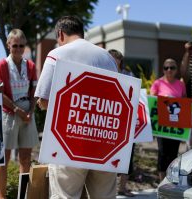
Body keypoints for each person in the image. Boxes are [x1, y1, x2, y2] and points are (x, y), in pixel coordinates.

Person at [35, 16, 118, 199]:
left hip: (69, 140)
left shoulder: (57, 54)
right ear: (82, 32)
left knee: (65, 195)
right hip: (105, 143)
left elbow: (44, 99)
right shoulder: (107, 58)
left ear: (60, 34)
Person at [0, 29, 39, 199]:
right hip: (9, 114)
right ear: (8, 45)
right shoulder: (1, 65)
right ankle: (2, 197)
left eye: (21, 45)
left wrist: (31, 111)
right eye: (15, 45)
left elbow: (35, 89)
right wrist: (17, 110)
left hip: (27, 113)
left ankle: (22, 195)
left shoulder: (31, 65)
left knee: (25, 159)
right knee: (3, 159)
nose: (18, 49)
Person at [150, 58, 186, 181]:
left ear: (176, 70)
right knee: (162, 152)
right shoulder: (157, 84)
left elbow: (185, 105)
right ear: (163, 69)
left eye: (172, 67)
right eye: (166, 67)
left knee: (173, 153)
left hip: (175, 126)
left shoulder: (181, 84)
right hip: (161, 126)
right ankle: (161, 181)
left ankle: (170, 180)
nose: (169, 70)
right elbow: (152, 103)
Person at [108, 49, 135, 197]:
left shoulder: (129, 75)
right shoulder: (101, 73)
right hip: (108, 123)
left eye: (116, 61)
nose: (114, 64)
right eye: (111, 61)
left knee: (127, 156)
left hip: (126, 122)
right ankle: (109, 189)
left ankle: (122, 188)